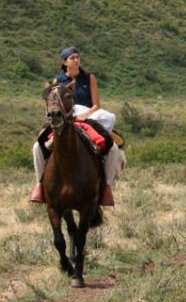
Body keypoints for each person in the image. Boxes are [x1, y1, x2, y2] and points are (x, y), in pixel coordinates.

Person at [29, 46, 125, 206]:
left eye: (77, 57)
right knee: (37, 147)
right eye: (72, 58)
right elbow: (54, 104)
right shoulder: (58, 81)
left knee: (113, 147)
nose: (76, 60)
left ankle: (107, 186)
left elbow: (96, 105)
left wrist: (85, 115)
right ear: (64, 62)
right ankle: (40, 184)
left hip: (88, 115)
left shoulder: (89, 78)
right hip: (65, 117)